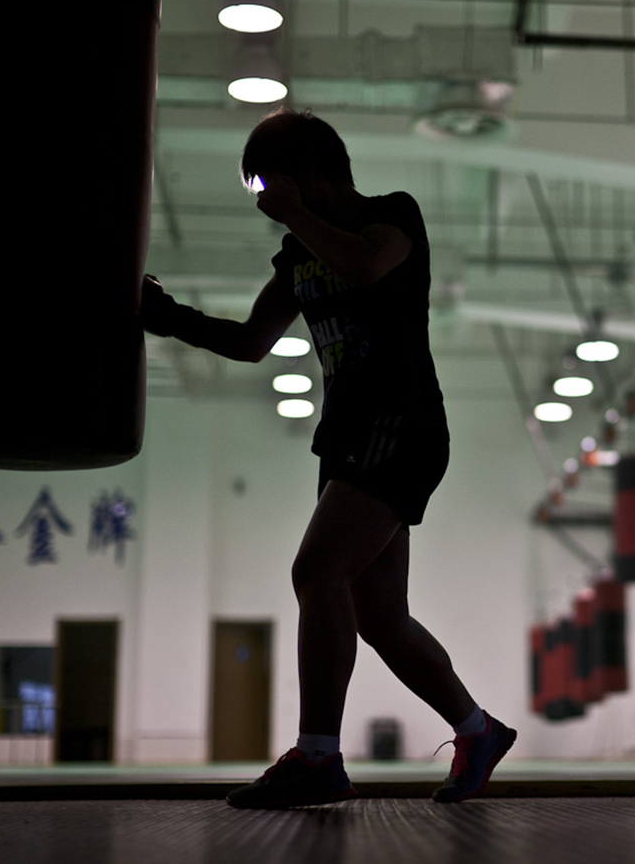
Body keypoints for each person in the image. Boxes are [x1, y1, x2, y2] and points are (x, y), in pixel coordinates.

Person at [142, 108, 515, 808]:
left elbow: (368, 265)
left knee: (316, 571)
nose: (264, 203)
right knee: (379, 617)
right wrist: (167, 318)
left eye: (266, 184)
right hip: (346, 435)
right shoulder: (297, 255)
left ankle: (318, 755)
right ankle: (479, 730)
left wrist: (295, 215)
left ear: (308, 171)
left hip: (401, 422)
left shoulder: (391, 216)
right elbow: (252, 342)